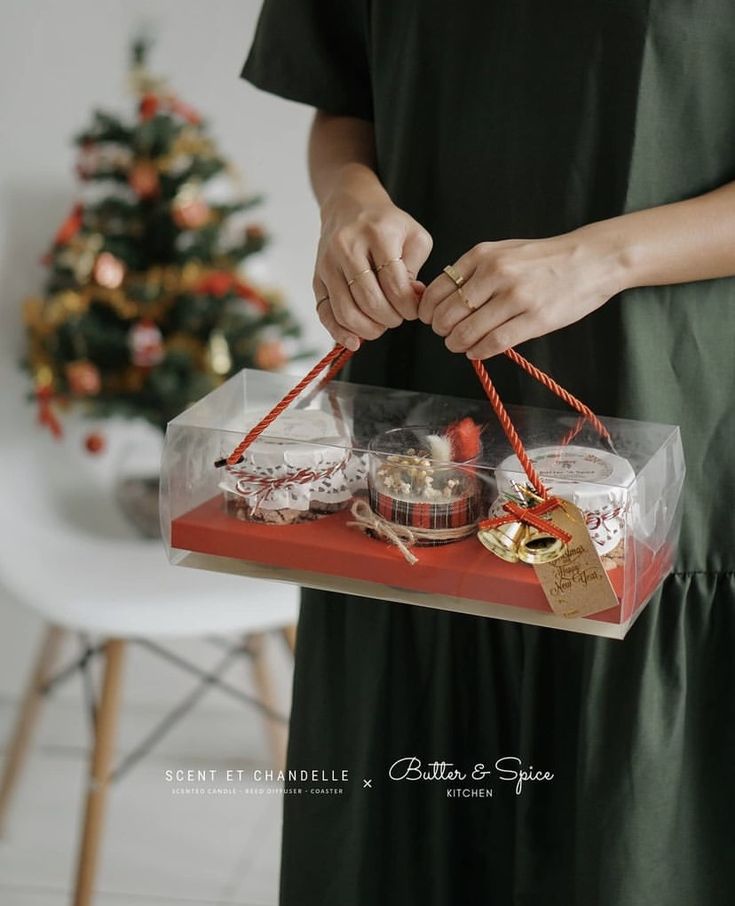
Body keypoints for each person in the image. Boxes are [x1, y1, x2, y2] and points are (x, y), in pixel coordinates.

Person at [242, 3, 735, 904]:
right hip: (416, 419)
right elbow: (344, 97)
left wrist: (604, 257)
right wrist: (349, 199)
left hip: (660, 406)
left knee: (621, 837)